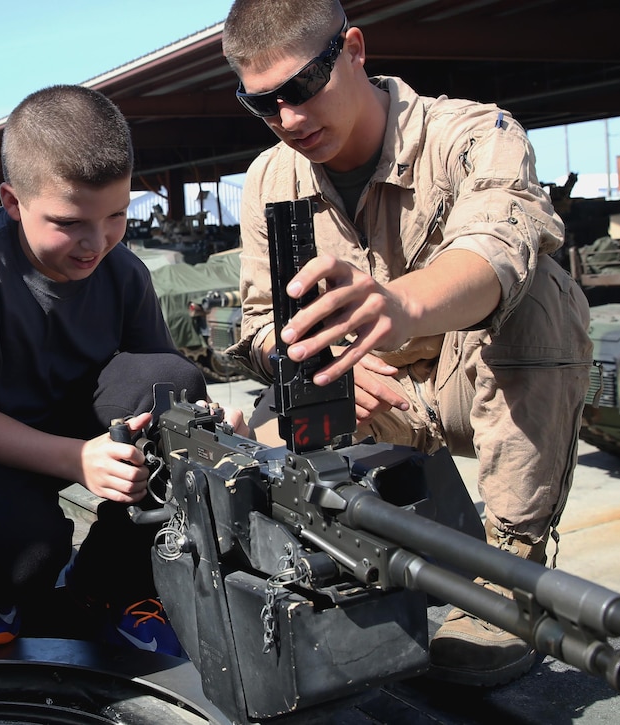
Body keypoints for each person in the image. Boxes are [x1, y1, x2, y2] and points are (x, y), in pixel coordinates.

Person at [221, 0, 593, 687]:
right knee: (244, 461)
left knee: (543, 294)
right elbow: (255, 322)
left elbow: (500, 246)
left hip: (473, 382)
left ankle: (515, 567)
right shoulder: (270, 178)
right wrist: (311, 359)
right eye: (264, 104)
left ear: (354, 49)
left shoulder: (472, 133)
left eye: (302, 88)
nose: (290, 119)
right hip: (363, 399)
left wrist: (403, 304)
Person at [0, 84, 206, 655]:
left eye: (116, 215)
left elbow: (161, 386)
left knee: (175, 391)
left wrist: (199, 426)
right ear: (12, 202)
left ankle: (113, 584)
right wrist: (77, 459)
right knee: (27, 554)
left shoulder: (122, 270)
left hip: (65, 421)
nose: (96, 242)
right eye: (68, 222)